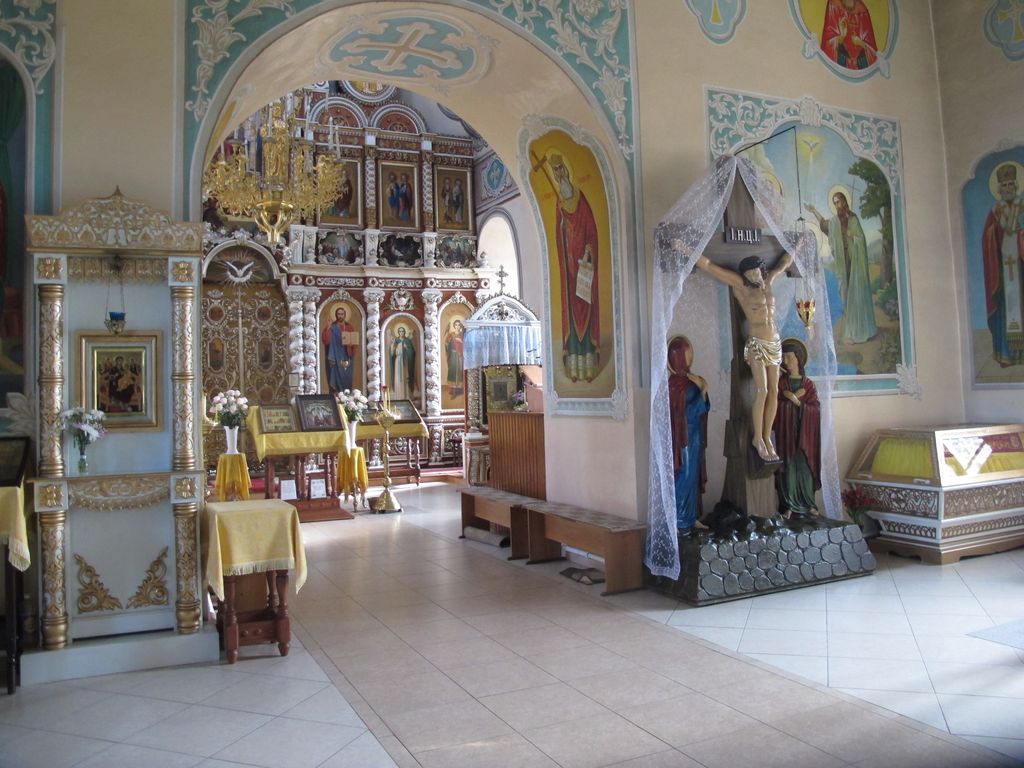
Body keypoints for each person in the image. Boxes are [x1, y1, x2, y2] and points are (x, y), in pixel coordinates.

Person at [695, 251, 793, 462]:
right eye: (748, 274)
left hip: (775, 343)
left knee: (775, 391)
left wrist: (796, 247)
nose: (752, 276)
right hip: (757, 343)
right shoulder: (741, 286)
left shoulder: (768, 282)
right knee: (762, 390)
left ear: (761, 270)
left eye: (755, 272)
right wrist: (690, 252)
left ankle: (767, 437)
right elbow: (711, 266)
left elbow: (783, 264)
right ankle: (757, 438)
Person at [547, 152, 601, 383]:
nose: (559, 174)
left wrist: (588, 251)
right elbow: (559, 236)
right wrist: (561, 225)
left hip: (583, 266)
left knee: (585, 307)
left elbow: (590, 231)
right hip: (569, 268)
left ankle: (588, 365)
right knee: (571, 311)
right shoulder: (559, 205)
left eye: (561, 169)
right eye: (555, 171)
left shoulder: (581, 200)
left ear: (567, 171)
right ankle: (575, 367)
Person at [806, 191, 877, 344]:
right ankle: (852, 330)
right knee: (846, 297)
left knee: (857, 297)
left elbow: (861, 239)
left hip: (855, 265)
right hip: (843, 267)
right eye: (834, 202)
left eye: (838, 201)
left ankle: (860, 330)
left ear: (844, 201)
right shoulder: (835, 222)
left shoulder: (853, 219)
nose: (837, 205)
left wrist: (853, 236)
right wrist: (814, 211)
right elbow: (824, 225)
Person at [981, 163, 1024, 367]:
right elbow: (986, 238)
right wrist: (996, 230)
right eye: (1004, 185)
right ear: (999, 188)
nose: (1008, 188)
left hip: (1021, 267)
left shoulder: (1021, 208)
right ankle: (1006, 353)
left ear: (1016, 186)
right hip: (1002, 270)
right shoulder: (995, 211)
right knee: (1005, 308)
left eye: (1010, 184)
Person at [774, 339, 821, 517]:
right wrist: (787, 401)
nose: (785, 361)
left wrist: (796, 401)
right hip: (786, 433)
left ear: (798, 359)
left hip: (805, 435)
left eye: (789, 357)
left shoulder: (808, 385)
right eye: (783, 357)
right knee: (788, 467)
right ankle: (789, 504)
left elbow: (816, 410)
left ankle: (809, 503)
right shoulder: (781, 384)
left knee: (806, 466)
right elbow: (774, 408)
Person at [667, 336, 710, 534]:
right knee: (684, 474)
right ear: (678, 357)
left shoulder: (691, 381)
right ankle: (679, 519)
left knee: (692, 475)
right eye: (687, 354)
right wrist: (703, 390)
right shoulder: (674, 385)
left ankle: (691, 517)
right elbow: (688, 412)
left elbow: (703, 408)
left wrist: (702, 389)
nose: (690, 357)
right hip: (682, 438)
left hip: (694, 436)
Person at [820, 0, 878, 70]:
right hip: (840, 62)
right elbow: (826, 46)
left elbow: (874, 54)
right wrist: (841, 37)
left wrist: (861, 43)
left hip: (860, 65)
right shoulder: (834, 5)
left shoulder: (862, 11)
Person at [321, 306, 357, 394]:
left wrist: (351, 345)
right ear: (336, 315)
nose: (340, 316)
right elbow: (326, 341)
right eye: (338, 314)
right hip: (335, 354)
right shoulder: (332, 327)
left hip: (346, 354)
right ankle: (336, 393)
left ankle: (346, 394)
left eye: (342, 314)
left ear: (345, 315)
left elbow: (354, 342)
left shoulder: (349, 327)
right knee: (335, 374)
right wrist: (328, 327)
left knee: (346, 375)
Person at [389, 325, 416, 400]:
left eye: (403, 331)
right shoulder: (396, 341)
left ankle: (407, 396)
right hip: (398, 361)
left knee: (405, 377)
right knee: (398, 377)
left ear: (404, 332)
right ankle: (399, 396)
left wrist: (407, 348)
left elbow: (412, 352)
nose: (401, 332)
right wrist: (393, 346)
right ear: (398, 332)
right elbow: (392, 353)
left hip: (405, 362)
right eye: (400, 331)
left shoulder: (407, 341)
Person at [444, 319, 465, 394]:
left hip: (460, 355)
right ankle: (453, 389)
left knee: (460, 371)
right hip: (453, 355)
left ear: (460, 326)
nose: (457, 326)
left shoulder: (463, 335)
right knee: (452, 370)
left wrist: (461, 342)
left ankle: (460, 389)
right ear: (454, 326)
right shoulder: (451, 334)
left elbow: (467, 345)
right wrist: (447, 342)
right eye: (456, 325)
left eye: (459, 325)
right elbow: (447, 345)